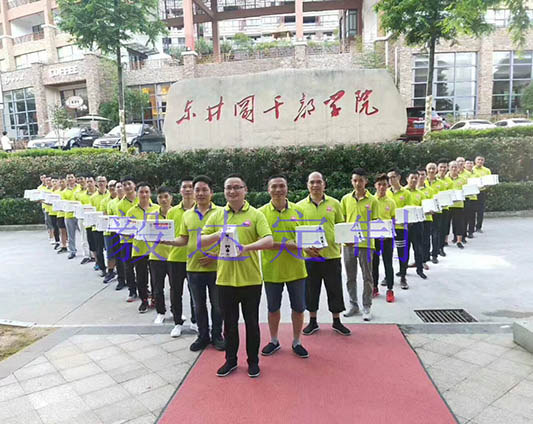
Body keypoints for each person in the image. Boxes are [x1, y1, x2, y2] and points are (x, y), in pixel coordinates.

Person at [201, 174, 273, 378]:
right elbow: (200, 240)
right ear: (224, 192)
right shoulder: (217, 216)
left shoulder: (256, 214)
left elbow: (268, 240)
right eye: (228, 188)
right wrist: (218, 235)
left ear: (245, 190)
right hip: (225, 281)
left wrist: (246, 248)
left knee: (252, 324)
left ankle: (253, 362)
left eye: (236, 187)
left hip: (251, 280)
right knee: (230, 325)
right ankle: (231, 360)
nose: (232, 191)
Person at [165, 176, 225, 351]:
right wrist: (166, 241)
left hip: (217, 267)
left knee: (218, 305)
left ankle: (217, 335)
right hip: (193, 267)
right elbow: (183, 239)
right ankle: (202, 336)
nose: (200, 193)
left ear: (211, 192)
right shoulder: (187, 215)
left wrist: (216, 256)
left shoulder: (222, 213)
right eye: (197, 190)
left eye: (204, 190)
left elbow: (229, 238)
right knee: (198, 305)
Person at [259, 175, 309, 357]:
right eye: (274, 186)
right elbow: (262, 242)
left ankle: (297, 341)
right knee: (273, 308)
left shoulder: (299, 211)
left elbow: (306, 238)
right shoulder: (260, 213)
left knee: (299, 308)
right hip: (272, 270)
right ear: (268, 190)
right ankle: (274, 340)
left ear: (287, 188)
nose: (278, 190)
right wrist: (287, 245)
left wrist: (312, 248)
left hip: (297, 269)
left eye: (282, 186)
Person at [297, 172, 350, 334]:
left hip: (331, 255)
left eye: (318, 182)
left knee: (335, 289)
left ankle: (337, 320)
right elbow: (296, 231)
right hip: (310, 256)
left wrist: (347, 240)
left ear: (324, 184)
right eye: (312, 182)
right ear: (307, 185)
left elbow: (341, 227)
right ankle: (312, 321)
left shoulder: (334, 204)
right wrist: (305, 248)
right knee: (311, 290)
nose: (315, 185)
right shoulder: (299, 206)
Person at [341, 169, 378, 321]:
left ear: (366, 181)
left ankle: (367, 306)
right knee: (350, 276)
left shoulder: (373, 201)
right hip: (349, 244)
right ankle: (353, 305)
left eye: (360, 180)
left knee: (367, 277)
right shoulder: (345, 199)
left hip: (366, 244)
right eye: (355, 180)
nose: (357, 183)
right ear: (352, 181)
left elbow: (376, 222)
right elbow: (343, 220)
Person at [166, 178, 197, 337]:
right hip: (175, 258)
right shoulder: (172, 212)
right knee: (175, 292)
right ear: (180, 191)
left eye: (191, 187)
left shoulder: (200, 210)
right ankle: (177, 322)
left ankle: (195, 321)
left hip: (194, 258)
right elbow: (168, 233)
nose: (188, 189)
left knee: (195, 293)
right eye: (184, 187)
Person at [125, 182, 160, 313]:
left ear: (150, 193)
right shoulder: (131, 211)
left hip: (155, 249)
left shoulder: (157, 209)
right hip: (139, 249)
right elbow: (128, 231)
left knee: (156, 277)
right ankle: (144, 300)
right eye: (141, 192)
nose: (144, 195)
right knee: (141, 277)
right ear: (137, 193)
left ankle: (155, 299)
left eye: (146, 192)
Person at [147, 186, 174, 324]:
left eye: (166, 196)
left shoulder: (177, 213)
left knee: (175, 288)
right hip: (156, 256)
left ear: (171, 198)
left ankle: (176, 311)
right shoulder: (152, 216)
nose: (163, 200)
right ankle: (160, 312)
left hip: (174, 256)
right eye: (160, 197)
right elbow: (148, 234)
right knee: (157, 288)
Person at [372, 174, 396, 303]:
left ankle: (390, 289)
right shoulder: (371, 201)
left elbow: (393, 219)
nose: (382, 187)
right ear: (375, 186)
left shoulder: (391, 202)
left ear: (388, 186)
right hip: (373, 238)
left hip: (387, 239)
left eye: (384, 185)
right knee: (373, 264)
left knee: (388, 263)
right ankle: (374, 287)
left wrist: (388, 233)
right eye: (379, 184)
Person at [386, 169, 411, 289]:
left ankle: (403, 276)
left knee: (402, 253)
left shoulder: (406, 193)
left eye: (393, 177)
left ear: (399, 177)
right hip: (388, 228)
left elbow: (409, 209)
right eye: (389, 178)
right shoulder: (385, 192)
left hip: (401, 227)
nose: (391, 180)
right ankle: (388, 276)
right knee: (387, 253)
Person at [116, 176, 139, 300]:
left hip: (141, 240)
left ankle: (144, 289)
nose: (127, 187)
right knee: (128, 267)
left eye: (129, 184)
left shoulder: (142, 198)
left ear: (134, 185)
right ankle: (132, 290)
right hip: (126, 240)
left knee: (142, 267)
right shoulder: (120, 205)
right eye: (124, 185)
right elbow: (122, 223)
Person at [405, 171, 427, 279]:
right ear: (407, 179)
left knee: (418, 248)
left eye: (416, 178)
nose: (414, 180)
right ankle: (403, 269)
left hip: (417, 224)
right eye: (412, 178)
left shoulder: (421, 194)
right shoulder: (402, 193)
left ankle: (419, 269)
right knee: (405, 249)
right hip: (405, 225)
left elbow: (424, 208)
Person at [108, 181, 126, 289]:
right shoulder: (111, 203)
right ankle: (121, 280)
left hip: (129, 232)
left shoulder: (132, 201)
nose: (119, 188)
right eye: (117, 187)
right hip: (115, 232)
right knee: (118, 257)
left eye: (121, 186)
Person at [425, 163, 445, 261]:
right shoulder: (423, 182)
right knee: (425, 235)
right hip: (426, 213)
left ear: (436, 170)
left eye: (433, 169)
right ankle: (425, 255)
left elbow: (444, 197)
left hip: (437, 212)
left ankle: (435, 254)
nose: (431, 171)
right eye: (429, 169)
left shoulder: (441, 183)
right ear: (426, 170)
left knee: (436, 233)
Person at [101, 180, 119, 283]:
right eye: (110, 186)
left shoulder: (122, 200)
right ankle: (111, 271)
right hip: (109, 231)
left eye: (114, 186)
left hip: (122, 232)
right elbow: (105, 216)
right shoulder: (105, 201)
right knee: (110, 253)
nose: (112, 188)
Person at [77, 175, 97, 265]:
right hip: (85, 220)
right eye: (87, 182)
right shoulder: (81, 195)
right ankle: (89, 256)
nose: (89, 184)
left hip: (97, 220)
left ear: (94, 182)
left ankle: (97, 258)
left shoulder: (100, 194)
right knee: (86, 238)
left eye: (91, 181)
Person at [90, 176, 109, 276]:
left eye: (103, 181)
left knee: (110, 248)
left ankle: (112, 267)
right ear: (96, 183)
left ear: (106, 183)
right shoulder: (93, 197)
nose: (101, 183)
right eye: (99, 181)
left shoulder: (111, 195)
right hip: (97, 226)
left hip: (108, 226)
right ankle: (102, 268)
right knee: (99, 248)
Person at [416, 169, 434, 268]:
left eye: (423, 174)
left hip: (427, 218)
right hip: (416, 219)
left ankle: (424, 260)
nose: (420, 177)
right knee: (417, 242)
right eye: (419, 175)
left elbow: (432, 204)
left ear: (426, 176)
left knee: (426, 240)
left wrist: (432, 209)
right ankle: (417, 260)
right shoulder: (409, 190)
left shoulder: (429, 190)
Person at [448, 161, 467, 249]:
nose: (454, 169)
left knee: (459, 223)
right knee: (446, 224)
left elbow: (466, 191)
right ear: (449, 168)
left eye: (455, 167)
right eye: (452, 167)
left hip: (459, 204)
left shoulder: (463, 179)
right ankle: (445, 240)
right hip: (447, 205)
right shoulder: (445, 179)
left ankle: (459, 241)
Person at [472, 156, 491, 233]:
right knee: (471, 210)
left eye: (482, 160)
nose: (480, 161)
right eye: (478, 160)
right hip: (472, 192)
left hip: (482, 192)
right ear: (475, 161)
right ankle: (471, 227)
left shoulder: (487, 170)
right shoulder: (471, 169)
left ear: (484, 161)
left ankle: (478, 227)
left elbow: (489, 181)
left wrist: (487, 185)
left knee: (480, 210)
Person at [437, 160, 453, 250]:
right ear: (437, 168)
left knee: (443, 227)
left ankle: (441, 247)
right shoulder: (432, 180)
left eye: (444, 167)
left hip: (445, 207)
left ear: (447, 168)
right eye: (441, 167)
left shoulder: (449, 181)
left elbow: (450, 194)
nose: (442, 169)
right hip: (434, 209)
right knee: (435, 230)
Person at [62, 173, 79, 259]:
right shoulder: (64, 192)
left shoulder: (80, 188)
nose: (70, 179)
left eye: (71, 177)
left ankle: (89, 252)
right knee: (70, 235)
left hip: (79, 215)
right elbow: (63, 204)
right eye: (68, 177)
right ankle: (72, 251)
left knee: (84, 234)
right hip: (69, 215)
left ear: (75, 178)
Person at [464, 159, 478, 237]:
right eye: (468, 163)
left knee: (472, 216)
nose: (469, 165)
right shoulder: (462, 174)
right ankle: (464, 231)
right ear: (464, 165)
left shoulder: (476, 174)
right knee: (465, 216)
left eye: (471, 163)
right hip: (465, 197)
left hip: (473, 197)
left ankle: (471, 231)